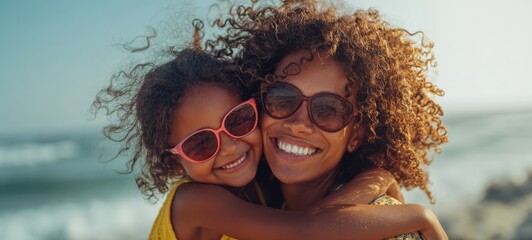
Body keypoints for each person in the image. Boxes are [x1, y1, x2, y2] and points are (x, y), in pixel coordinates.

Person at [93, 44, 446, 239]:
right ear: (174, 162)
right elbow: (305, 231)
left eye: (238, 121)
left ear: (255, 110)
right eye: (201, 144)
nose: (229, 147)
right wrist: (419, 214)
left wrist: (381, 181)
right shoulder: (195, 201)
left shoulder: (264, 191)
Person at [204, 0, 449, 238]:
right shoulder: (258, 207)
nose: (298, 123)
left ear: (356, 135)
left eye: (329, 110)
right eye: (282, 98)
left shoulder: (387, 230)